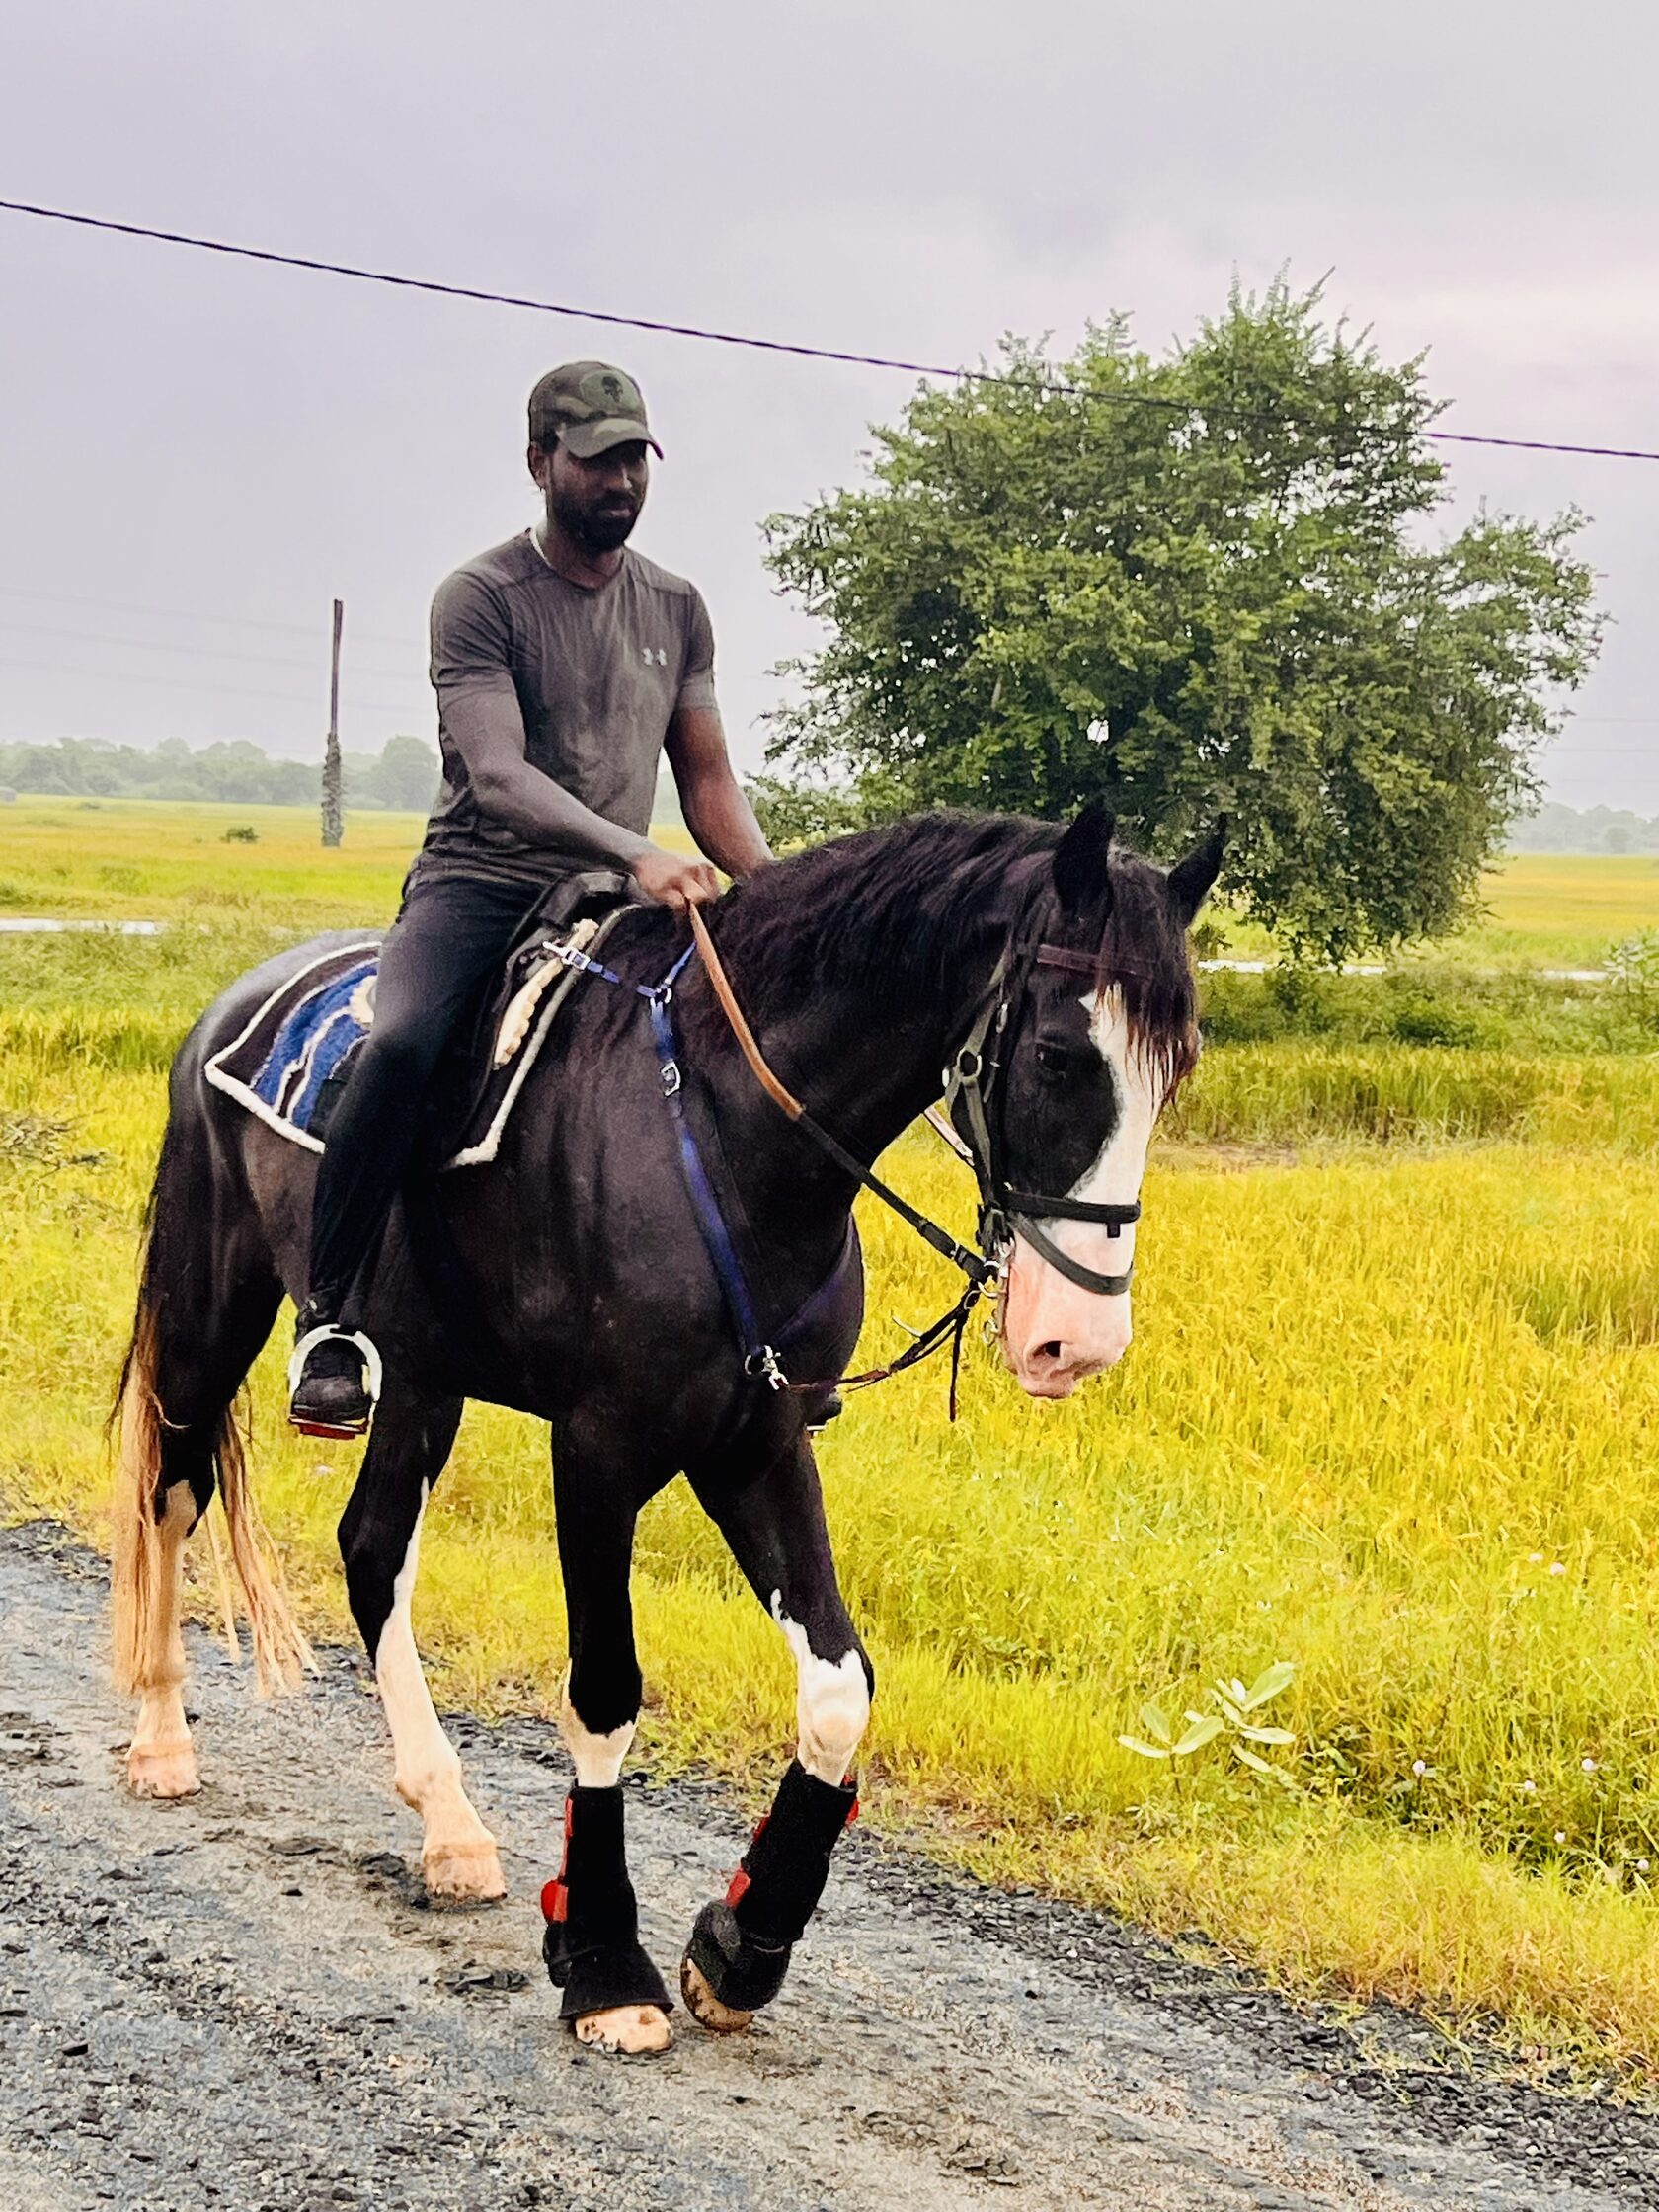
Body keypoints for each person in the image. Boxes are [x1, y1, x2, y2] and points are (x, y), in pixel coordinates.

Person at [288, 361, 773, 1437]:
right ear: (540, 462)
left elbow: (705, 780)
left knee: (746, 1046)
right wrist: (636, 850)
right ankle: (330, 1315)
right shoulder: (481, 598)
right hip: (481, 881)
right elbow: (501, 775)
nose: (619, 481)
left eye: (633, 459)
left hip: (610, 894)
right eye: (596, 458)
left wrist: (781, 891)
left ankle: (754, 1329)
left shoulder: (678, 607)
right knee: (405, 1043)